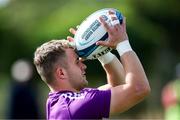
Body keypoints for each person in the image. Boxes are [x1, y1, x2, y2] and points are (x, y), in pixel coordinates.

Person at [33, 10, 151, 119]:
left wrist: (97, 49)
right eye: (77, 62)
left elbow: (118, 86)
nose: (84, 66)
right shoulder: (78, 105)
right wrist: (122, 43)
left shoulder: (62, 102)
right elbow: (139, 88)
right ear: (61, 73)